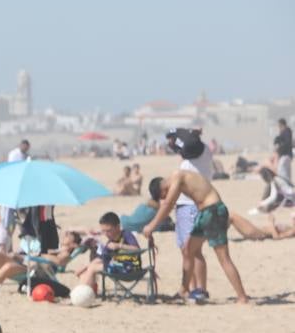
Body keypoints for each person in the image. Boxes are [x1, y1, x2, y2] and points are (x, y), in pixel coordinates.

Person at [142, 167, 250, 304]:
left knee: (223, 258)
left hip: (214, 212)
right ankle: (184, 290)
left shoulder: (178, 177)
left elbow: (168, 204)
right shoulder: (179, 178)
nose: (166, 198)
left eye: (163, 196)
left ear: (163, 190)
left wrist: (151, 226)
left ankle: (242, 297)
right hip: (205, 215)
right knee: (188, 250)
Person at [164, 127, 214, 298]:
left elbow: (184, 146)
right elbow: (188, 144)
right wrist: (193, 135)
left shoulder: (190, 159)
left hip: (190, 205)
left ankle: (200, 289)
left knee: (193, 250)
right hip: (186, 205)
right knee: (187, 251)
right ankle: (191, 288)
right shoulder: (204, 151)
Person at [75, 212, 139, 294]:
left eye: (109, 231)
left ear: (118, 227)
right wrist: (85, 267)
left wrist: (120, 245)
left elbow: (137, 249)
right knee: (87, 270)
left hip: (130, 268)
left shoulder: (126, 235)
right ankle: (85, 293)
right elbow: (102, 258)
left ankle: (82, 293)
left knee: (92, 268)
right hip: (118, 267)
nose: (106, 234)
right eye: (103, 231)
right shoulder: (110, 241)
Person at [274, 118, 292, 183]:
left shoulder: (287, 131)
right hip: (285, 155)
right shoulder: (283, 132)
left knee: (282, 171)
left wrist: (279, 147)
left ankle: (286, 185)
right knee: (286, 172)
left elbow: (287, 143)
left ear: (282, 124)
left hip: (286, 155)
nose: (278, 127)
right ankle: (288, 185)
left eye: (279, 125)